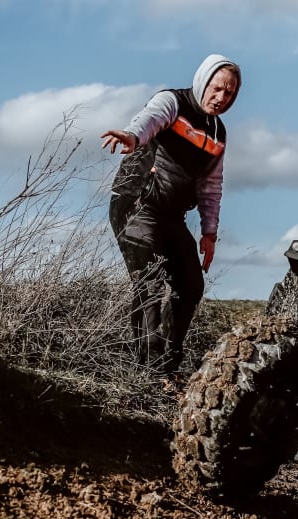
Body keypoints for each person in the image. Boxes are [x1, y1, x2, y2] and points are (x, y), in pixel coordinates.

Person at [102, 54, 241, 376]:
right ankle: (147, 371)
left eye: (230, 93)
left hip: (172, 216)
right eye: (217, 88)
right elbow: (149, 119)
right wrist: (132, 136)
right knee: (149, 282)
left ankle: (168, 366)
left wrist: (209, 232)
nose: (222, 98)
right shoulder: (172, 102)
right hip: (137, 204)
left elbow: (211, 185)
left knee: (190, 285)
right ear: (204, 81)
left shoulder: (218, 132)